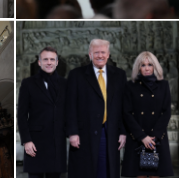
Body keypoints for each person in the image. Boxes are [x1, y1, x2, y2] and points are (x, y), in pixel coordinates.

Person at [66, 39, 127, 177]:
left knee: (107, 171)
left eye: (103, 52)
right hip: (84, 133)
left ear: (108, 54)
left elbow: (123, 106)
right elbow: (70, 106)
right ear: (90, 55)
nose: (100, 55)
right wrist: (72, 132)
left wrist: (123, 132)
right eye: (96, 52)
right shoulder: (76, 75)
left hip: (110, 132)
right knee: (86, 172)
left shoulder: (119, 75)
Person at [121, 51, 173, 178]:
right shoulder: (130, 86)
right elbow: (126, 113)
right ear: (138, 67)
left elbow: (166, 111)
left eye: (150, 64)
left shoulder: (163, 85)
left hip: (157, 140)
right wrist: (142, 136)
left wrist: (154, 136)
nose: (147, 68)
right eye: (143, 65)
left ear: (155, 66)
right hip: (137, 139)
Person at [18, 46, 67, 177]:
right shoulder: (28, 83)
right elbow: (21, 114)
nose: (49, 62)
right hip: (35, 142)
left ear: (57, 62)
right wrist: (26, 140)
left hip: (57, 142)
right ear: (39, 62)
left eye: (52, 59)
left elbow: (70, 111)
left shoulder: (65, 84)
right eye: (45, 59)